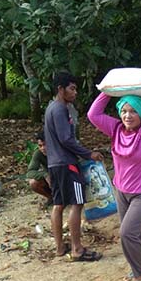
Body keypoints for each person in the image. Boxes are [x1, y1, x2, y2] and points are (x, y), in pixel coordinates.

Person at [87, 76, 141, 281]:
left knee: (127, 232)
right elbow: (92, 114)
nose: (127, 115)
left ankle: (139, 274)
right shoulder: (115, 130)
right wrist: (109, 90)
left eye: (132, 111)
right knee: (135, 231)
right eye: (123, 111)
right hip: (121, 191)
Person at [44, 72, 104, 260]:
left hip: (54, 164)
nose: (75, 92)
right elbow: (66, 139)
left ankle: (60, 247)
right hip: (67, 164)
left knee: (58, 204)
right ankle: (77, 249)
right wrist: (88, 154)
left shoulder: (50, 108)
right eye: (72, 88)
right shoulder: (60, 109)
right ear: (60, 89)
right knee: (77, 204)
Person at [26, 131, 52, 207]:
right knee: (33, 183)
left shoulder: (59, 150)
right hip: (50, 179)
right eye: (40, 146)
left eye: (45, 145)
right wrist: (45, 175)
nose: (42, 148)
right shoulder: (38, 154)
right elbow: (30, 172)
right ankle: (50, 197)